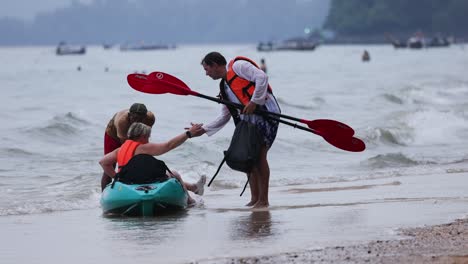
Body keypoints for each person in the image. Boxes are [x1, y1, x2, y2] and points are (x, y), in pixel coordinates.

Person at [197, 52, 281, 208]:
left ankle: (264, 200)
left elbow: (262, 77)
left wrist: (255, 102)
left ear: (215, 65)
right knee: (248, 157)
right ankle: (254, 198)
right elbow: (224, 115)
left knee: (260, 156)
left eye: (207, 69)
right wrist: (204, 129)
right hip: (249, 121)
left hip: (267, 115)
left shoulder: (238, 66)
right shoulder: (224, 86)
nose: (206, 74)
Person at [99, 122, 206, 204]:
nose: (149, 140)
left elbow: (103, 162)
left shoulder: (121, 149)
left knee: (168, 174)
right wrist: (188, 134)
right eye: (148, 137)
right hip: (141, 181)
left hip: (126, 181)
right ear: (142, 136)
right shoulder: (143, 147)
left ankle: (194, 187)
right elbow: (169, 145)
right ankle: (190, 201)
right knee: (175, 174)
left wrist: (116, 176)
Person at [101, 103, 155, 191]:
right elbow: (125, 148)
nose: (136, 122)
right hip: (113, 135)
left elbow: (145, 137)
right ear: (129, 116)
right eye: (134, 119)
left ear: (145, 117)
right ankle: (104, 195)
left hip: (135, 134)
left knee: (143, 159)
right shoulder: (122, 122)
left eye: (140, 119)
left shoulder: (150, 118)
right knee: (112, 163)